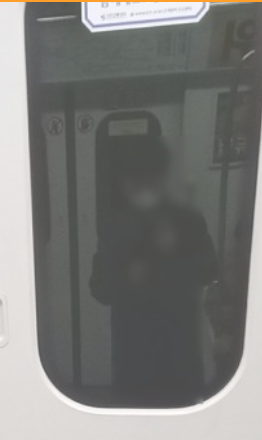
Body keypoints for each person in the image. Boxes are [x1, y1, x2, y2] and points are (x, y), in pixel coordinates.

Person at [90, 136, 219, 407]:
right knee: (179, 416)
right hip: (166, 350)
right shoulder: (187, 220)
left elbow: (100, 290)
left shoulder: (118, 227)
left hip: (144, 352)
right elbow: (208, 271)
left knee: (140, 418)